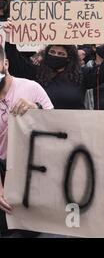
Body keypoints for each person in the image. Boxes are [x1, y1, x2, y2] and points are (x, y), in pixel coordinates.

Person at [3, 19, 104, 109]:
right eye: (52, 52)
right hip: (41, 130)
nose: (56, 55)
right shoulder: (36, 73)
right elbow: (15, 63)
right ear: (46, 54)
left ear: (68, 58)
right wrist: (9, 37)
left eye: (61, 54)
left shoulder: (80, 75)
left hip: (73, 130)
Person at [0, 45, 53, 237]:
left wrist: (35, 109)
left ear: (5, 63)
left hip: (32, 172)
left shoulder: (31, 87)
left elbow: (57, 125)